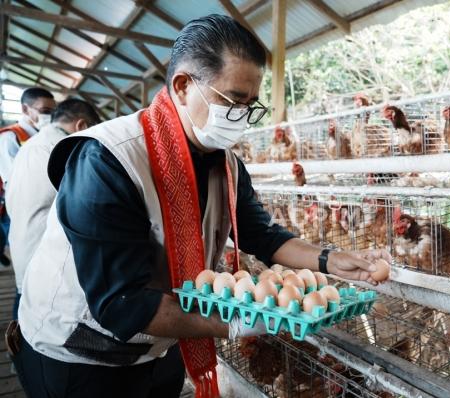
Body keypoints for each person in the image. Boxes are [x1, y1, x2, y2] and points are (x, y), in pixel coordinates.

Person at [14, 15, 391, 398]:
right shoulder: (108, 160)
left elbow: (261, 233)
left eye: (251, 105)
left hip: (161, 345)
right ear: (182, 87)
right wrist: (236, 323)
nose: (241, 116)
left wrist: (329, 259)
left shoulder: (225, 163)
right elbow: (121, 304)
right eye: (233, 101)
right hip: (82, 356)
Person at [5, 98, 100, 320]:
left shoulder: (31, 144)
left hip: (21, 237)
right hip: (42, 247)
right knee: (38, 311)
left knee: (25, 302)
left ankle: (18, 351)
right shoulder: (65, 147)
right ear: (82, 126)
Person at [0, 88, 56, 266]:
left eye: (53, 112)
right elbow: (13, 181)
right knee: (29, 256)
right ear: (25, 109)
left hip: (43, 204)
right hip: (20, 207)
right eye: (45, 111)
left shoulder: (44, 135)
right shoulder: (10, 137)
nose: (50, 116)